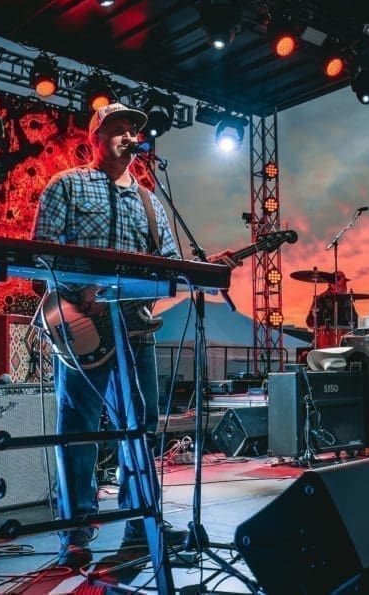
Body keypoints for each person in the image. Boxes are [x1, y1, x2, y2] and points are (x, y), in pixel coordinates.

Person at [33, 102, 234, 562]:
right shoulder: (65, 186)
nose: (128, 136)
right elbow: (40, 259)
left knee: (139, 426)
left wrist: (198, 271)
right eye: (117, 129)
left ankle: (141, 523)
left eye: (132, 131)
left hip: (135, 331)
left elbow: (165, 270)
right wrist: (83, 288)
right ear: (95, 138)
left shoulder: (150, 201)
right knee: (79, 425)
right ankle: (76, 531)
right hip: (81, 328)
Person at [305, 272, 358, 347]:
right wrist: (320, 327)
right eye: (341, 285)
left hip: (346, 340)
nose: (344, 287)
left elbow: (356, 321)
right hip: (327, 339)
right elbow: (310, 321)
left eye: (344, 284)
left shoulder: (347, 300)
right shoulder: (321, 299)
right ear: (332, 285)